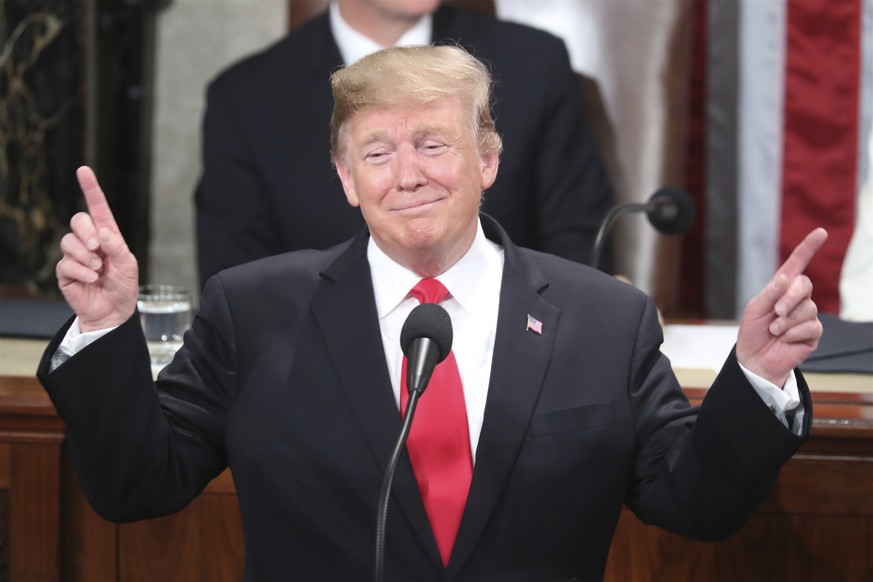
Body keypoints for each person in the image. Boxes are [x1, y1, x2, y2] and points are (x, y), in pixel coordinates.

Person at [41, 45, 826, 581]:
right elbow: (135, 486)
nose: (406, 175)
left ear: (487, 160)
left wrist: (756, 374)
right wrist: (106, 326)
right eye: (377, 152)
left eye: (432, 143)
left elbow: (692, 503)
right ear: (346, 179)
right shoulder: (254, 309)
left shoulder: (604, 318)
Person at [194, 0, 614, 288]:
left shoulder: (533, 63)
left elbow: (578, 244)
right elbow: (239, 283)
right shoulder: (246, 97)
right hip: (322, 370)